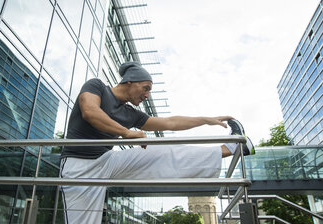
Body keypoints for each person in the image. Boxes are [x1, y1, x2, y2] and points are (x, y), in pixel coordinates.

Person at [60, 62, 255, 224]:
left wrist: (206, 119)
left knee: (161, 152)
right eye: (146, 88)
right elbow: (90, 111)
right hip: (78, 165)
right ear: (129, 82)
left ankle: (232, 147)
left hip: (106, 160)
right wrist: (127, 133)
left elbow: (171, 123)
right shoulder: (96, 87)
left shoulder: (130, 113)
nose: (147, 95)